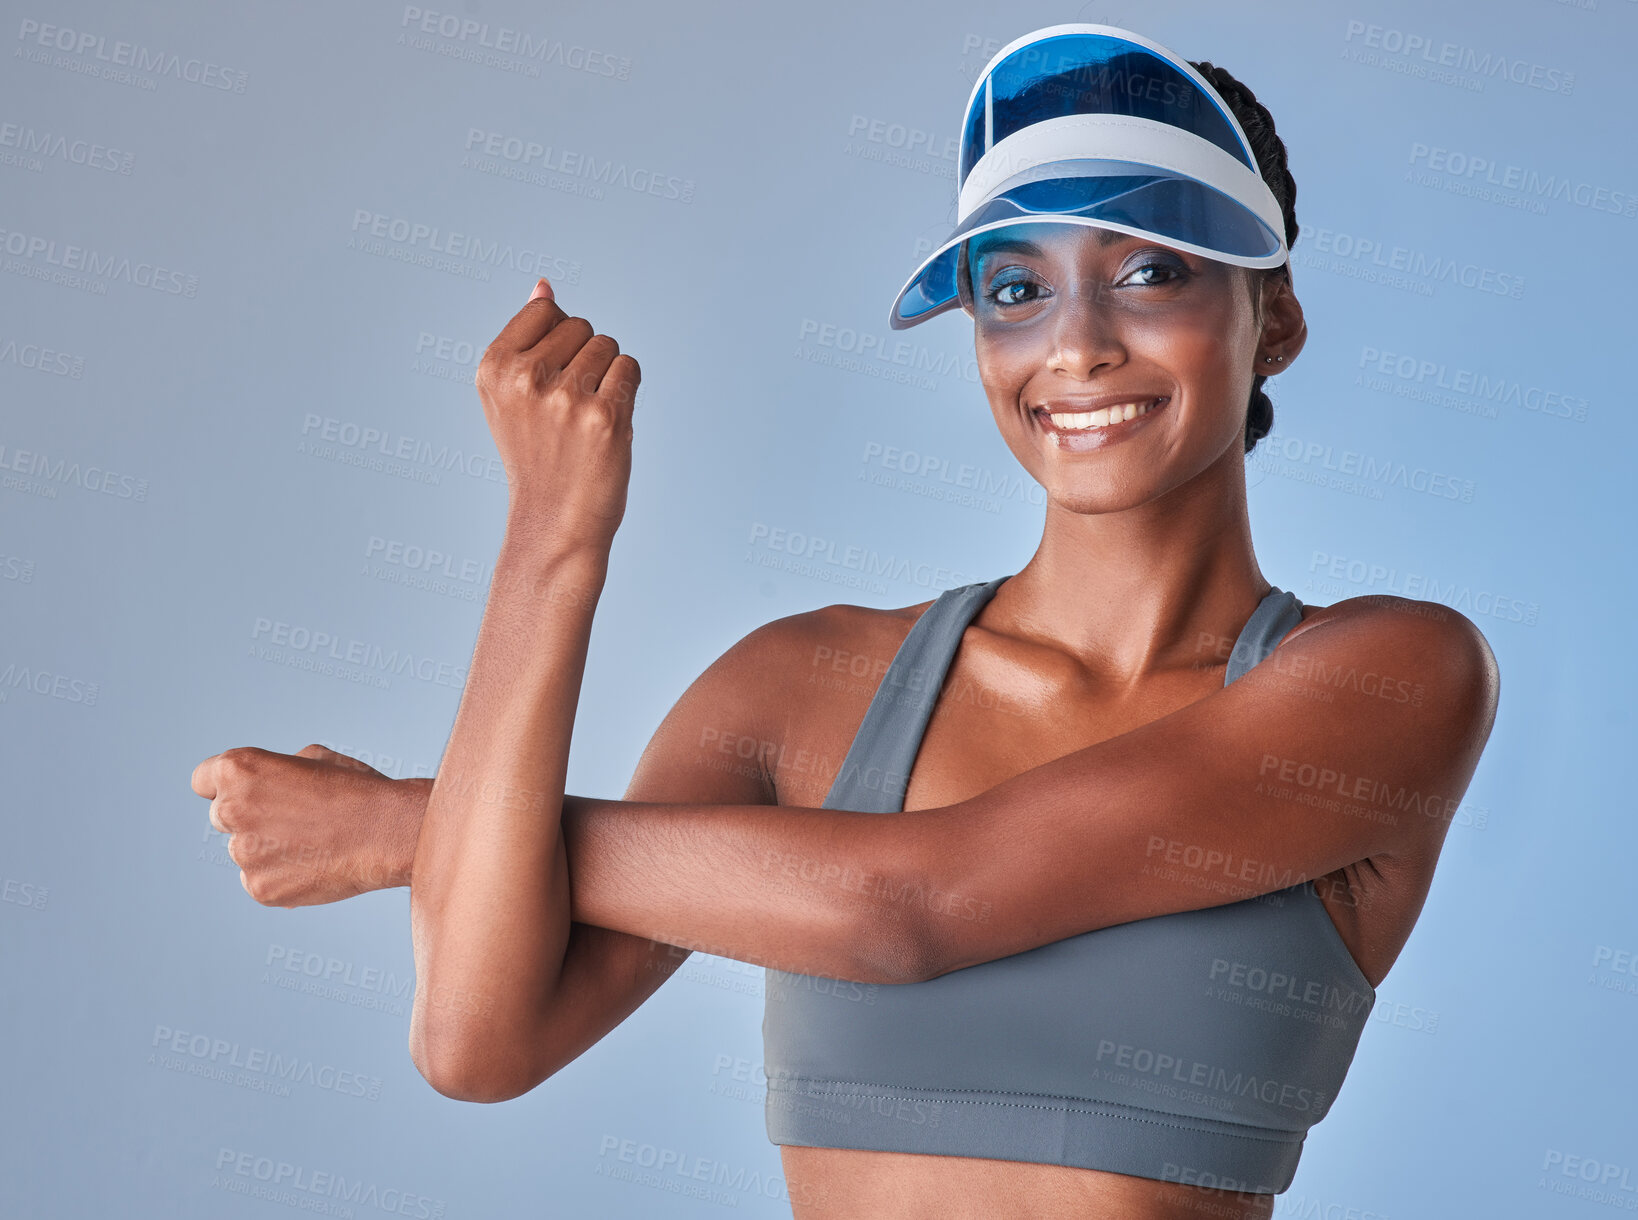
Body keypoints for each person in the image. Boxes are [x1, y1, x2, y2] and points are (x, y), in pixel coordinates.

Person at [192, 24, 1499, 1220]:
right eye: (1013, 289)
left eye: (1149, 269)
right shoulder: (800, 689)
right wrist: (554, 534)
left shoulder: (1388, 679)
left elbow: (906, 907)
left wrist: (399, 828)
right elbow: (480, 1042)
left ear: (1272, 318)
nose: (1077, 344)